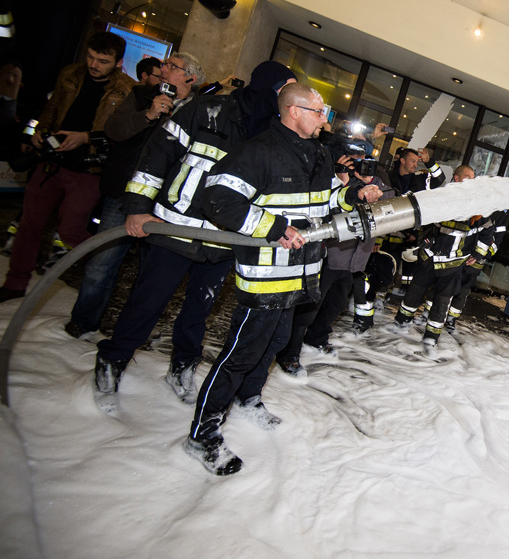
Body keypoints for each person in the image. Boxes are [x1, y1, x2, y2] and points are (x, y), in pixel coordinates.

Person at [185, 83, 383, 476]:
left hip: (301, 272)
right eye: (318, 111)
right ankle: (202, 434)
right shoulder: (260, 151)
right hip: (266, 275)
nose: (325, 119)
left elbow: (327, 199)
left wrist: (355, 195)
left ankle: (249, 399)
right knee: (240, 352)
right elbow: (217, 198)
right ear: (294, 111)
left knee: (275, 342)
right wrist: (272, 227)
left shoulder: (316, 154)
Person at [91, 61, 297, 413]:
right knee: (148, 302)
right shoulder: (208, 109)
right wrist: (138, 206)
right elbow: (157, 154)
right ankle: (113, 360)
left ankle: (182, 367)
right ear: (265, 86)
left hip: (221, 242)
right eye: (283, 89)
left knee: (198, 312)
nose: (286, 98)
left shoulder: (271, 136)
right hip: (175, 230)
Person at [64, 52, 206, 339]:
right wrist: (149, 115)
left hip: (167, 205)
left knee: (151, 276)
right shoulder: (141, 95)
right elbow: (114, 130)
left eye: (172, 67)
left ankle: (130, 334)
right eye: (165, 65)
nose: (164, 70)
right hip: (126, 193)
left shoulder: (203, 110)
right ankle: (84, 320)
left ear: (190, 78)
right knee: (101, 263)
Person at [0, 32, 135, 303]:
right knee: (30, 224)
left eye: (103, 61)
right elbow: (52, 107)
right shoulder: (71, 74)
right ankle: (15, 283)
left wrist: (86, 137)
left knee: (71, 230)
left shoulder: (126, 90)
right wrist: (41, 131)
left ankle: (101, 271)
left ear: (119, 63)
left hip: (88, 170)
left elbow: (121, 132)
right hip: (51, 162)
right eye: (91, 57)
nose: (94, 64)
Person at [276, 136, 395, 375]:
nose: (359, 162)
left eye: (363, 157)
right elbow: (322, 209)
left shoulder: (376, 182)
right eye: (354, 157)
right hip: (329, 253)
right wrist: (342, 183)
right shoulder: (328, 175)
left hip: (355, 258)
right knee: (310, 305)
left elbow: (391, 206)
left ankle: (317, 338)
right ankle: (290, 352)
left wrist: (368, 183)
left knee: (337, 303)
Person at [392, 164, 481, 357]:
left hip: (453, 264)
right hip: (430, 257)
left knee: (442, 303)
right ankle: (400, 323)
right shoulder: (443, 196)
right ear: (456, 179)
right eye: (468, 177)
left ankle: (431, 338)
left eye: (474, 177)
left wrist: (479, 254)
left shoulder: (477, 205)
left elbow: (487, 231)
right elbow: (427, 219)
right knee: (413, 294)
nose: (472, 181)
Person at [384, 146, 447, 291]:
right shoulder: (388, 178)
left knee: (409, 266)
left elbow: (440, 178)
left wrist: (429, 162)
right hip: (389, 232)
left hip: (412, 233)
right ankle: (382, 293)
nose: (415, 164)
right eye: (412, 161)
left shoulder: (420, 179)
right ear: (402, 161)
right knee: (387, 265)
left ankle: (403, 293)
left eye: (416, 162)